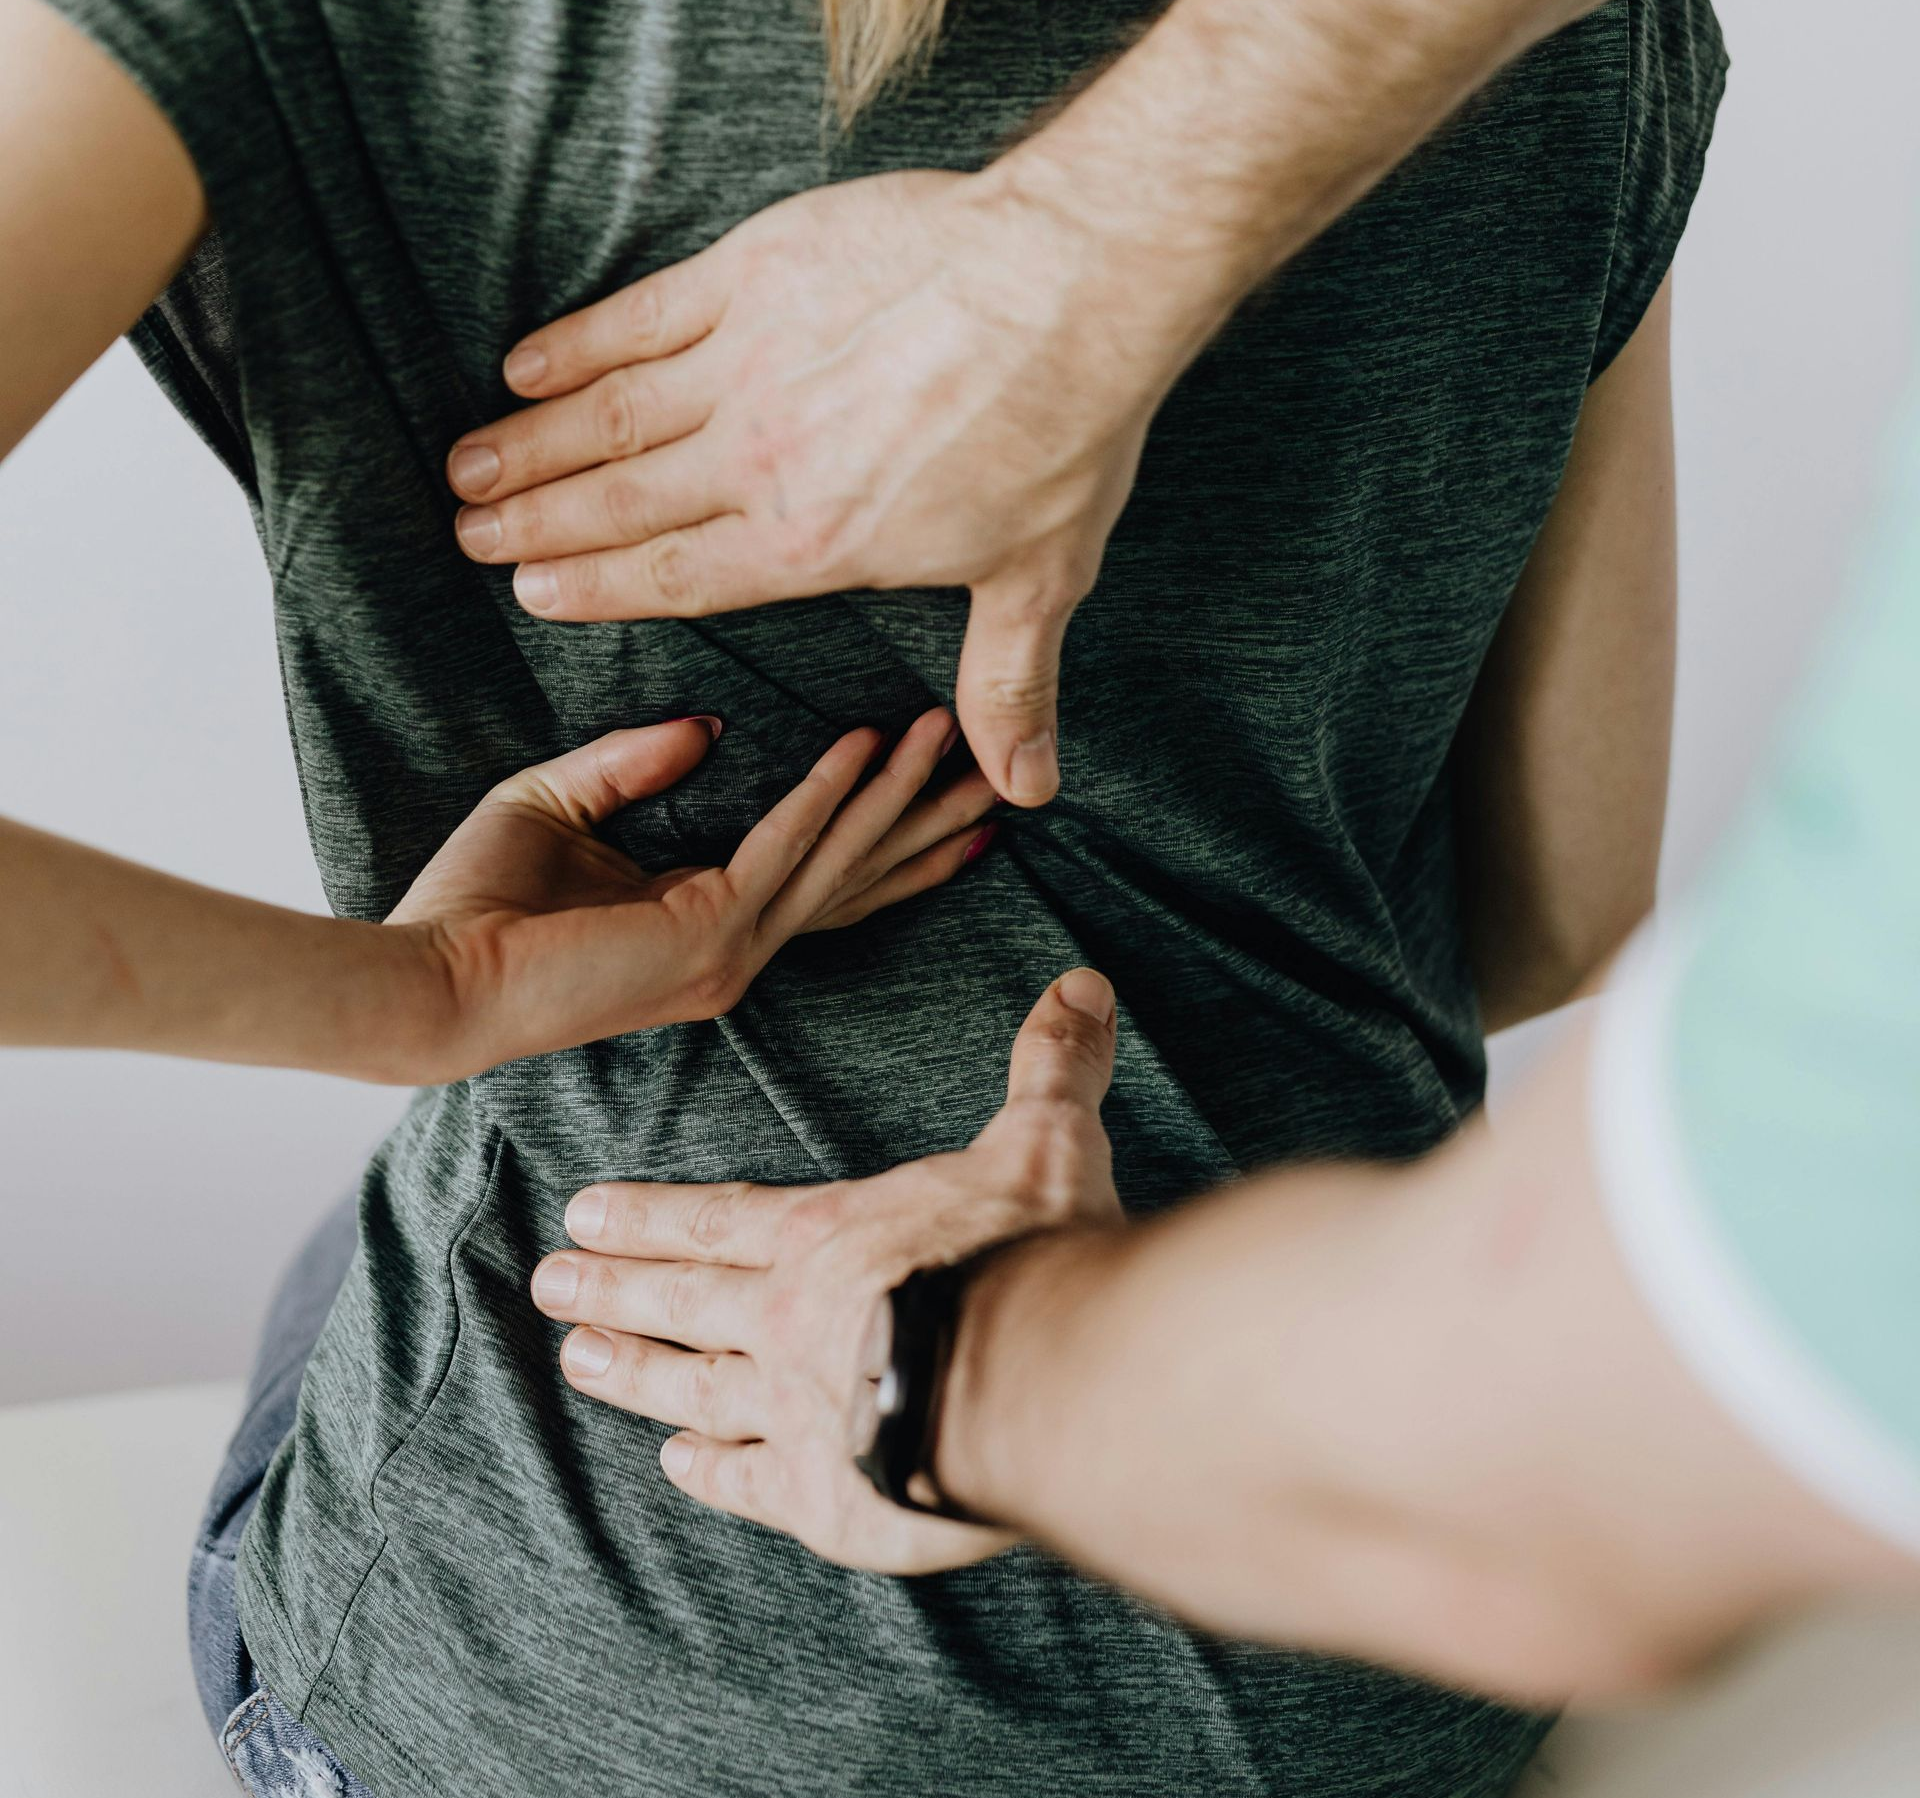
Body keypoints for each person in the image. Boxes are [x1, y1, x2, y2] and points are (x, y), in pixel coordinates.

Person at [1, 0, 1721, 1795]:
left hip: (632, 1688)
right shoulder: (1556, 35)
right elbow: (1556, 916)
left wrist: (416, 999)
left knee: (381, 1238)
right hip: (1356, 1641)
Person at [540, 361, 1920, 1701]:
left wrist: (953, 1364)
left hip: (651, 1605)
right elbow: (1556, 921)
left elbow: (1568, 1463)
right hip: (1344, 1647)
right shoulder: (1586, 183)